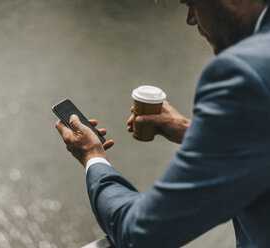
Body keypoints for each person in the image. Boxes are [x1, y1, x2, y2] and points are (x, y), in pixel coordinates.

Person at [55, 0, 270, 247]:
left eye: (193, 4)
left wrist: (93, 157)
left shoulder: (244, 72)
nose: (190, 19)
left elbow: (141, 234)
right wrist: (196, 133)